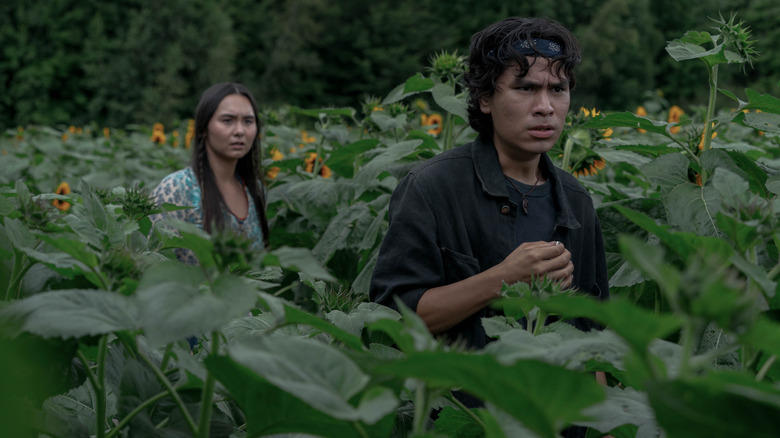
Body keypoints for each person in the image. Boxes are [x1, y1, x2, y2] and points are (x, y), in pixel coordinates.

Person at [369, 15, 609, 400]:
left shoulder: (576, 200)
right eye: (525, 88)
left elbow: (591, 338)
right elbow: (392, 319)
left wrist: (606, 424)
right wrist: (503, 279)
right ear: (485, 98)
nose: (545, 106)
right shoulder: (433, 188)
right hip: (464, 417)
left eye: (558, 89)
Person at [151, 82, 270, 264]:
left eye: (248, 121)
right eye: (227, 120)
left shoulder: (255, 191)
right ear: (204, 129)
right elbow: (150, 263)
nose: (240, 131)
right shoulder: (177, 189)